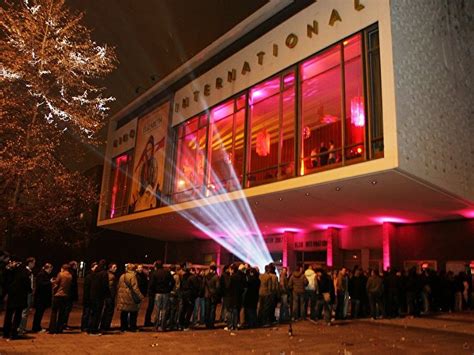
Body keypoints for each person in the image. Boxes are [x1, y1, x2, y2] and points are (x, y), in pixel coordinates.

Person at [2, 257, 31, 340]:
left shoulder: (10, 270)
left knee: (9, 314)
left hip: (12, 295)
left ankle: (6, 333)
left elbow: (5, 281)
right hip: (21, 296)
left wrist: (7, 291)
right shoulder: (25, 271)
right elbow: (27, 284)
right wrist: (29, 290)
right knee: (17, 316)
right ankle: (14, 333)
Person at [116, 263, 144, 332]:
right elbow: (135, 288)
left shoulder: (122, 276)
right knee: (133, 313)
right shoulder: (133, 276)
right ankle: (132, 327)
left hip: (123, 297)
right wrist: (141, 296)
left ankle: (123, 327)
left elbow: (118, 286)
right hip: (130, 297)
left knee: (124, 313)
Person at [148, 260, 174, 331]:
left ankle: (156, 326)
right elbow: (172, 281)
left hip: (158, 293)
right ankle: (163, 326)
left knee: (157, 309)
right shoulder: (167, 272)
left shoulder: (155, 273)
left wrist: (152, 291)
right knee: (164, 310)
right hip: (166, 293)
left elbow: (152, 284)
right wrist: (169, 289)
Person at [48, 264, 72, 334]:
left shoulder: (60, 274)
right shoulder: (70, 276)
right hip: (65, 296)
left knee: (54, 312)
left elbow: (56, 284)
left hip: (58, 295)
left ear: (62, 268)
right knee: (62, 313)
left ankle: (52, 329)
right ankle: (59, 328)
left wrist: (53, 287)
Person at [88, 260, 110, 335]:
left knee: (93, 313)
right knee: (97, 313)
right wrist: (107, 295)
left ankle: (90, 328)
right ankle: (94, 329)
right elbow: (105, 286)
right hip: (99, 296)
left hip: (93, 295)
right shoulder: (104, 273)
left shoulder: (94, 273)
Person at [32, 263, 53, 332]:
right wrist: (50, 282)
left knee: (39, 313)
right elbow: (40, 284)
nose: (51, 271)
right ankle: (36, 327)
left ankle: (37, 326)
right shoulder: (41, 274)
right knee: (39, 313)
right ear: (48, 268)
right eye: (50, 269)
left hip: (41, 298)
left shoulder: (43, 274)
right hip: (40, 298)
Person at [18, 257, 35, 335]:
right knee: (24, 311)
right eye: (33, 263)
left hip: (28, 292)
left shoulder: (29, 271)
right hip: (27, 293)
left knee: (26, 311)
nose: (34, 265)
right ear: (30, 263)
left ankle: (22, 328)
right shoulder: (26, 271)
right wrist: (30, 290)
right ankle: (21, 329)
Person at [100, 263, 118, 331]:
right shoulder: (111, 276)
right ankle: (106, 326)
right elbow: (110, 287)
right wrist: (111, 294)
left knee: (106, 311)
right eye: (114, 267)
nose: (116, 268)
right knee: (109, 311)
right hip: (110, 296)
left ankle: (104, 325)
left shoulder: (108, 274)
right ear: (110, 268)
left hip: (108, 296)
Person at [81, 262, 98, 332]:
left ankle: (87, 326)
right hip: (88, 298)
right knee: (86, 313)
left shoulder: (93, 275)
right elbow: (87, 288)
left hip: (91, 297)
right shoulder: (89, 276)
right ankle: (84, 326)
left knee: (89, 313)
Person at [203, 264, 220, 329]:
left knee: (207, 310)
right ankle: (211, 324)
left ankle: (207, 324)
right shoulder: (216, 277)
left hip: (206, 295)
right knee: (212, 310)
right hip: (213, 295)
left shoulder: (206, 276)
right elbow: (218, 287)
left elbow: (203, 285)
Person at [64, 260, 78, 329]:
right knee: (67, 309)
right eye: (76, 265)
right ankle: (64, 323)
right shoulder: (72, 273)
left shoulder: (71, 272)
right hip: (69, 294)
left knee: (67, 309)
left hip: (68, 293)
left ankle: (64, 323)